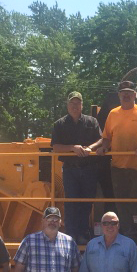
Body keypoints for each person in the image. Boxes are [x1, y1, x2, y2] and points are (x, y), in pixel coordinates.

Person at [86, 80, 137, 242]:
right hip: (118, 167)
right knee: (121, 203)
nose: (126, 95)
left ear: (134, 94)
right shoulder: (113, 114)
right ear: (119, 95)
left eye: (129, 92)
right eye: (123, 92)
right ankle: (127, 234)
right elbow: (107, 138)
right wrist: (103, 148)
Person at [50, 92, 102, 244]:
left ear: (82, 105)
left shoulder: (92, 122)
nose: (74, 106)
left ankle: (84, 234)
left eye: (77, 103)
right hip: (70, 169)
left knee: (87, 202)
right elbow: (55, 146)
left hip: (89, 168)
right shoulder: (59, 124)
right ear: (67, 105)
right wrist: (73, 148)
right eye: (72, 103)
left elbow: (102, 140)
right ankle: (71, 236)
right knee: (71, 202)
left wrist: (90, 148)